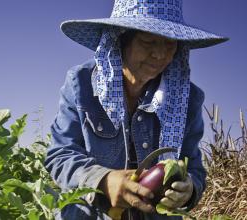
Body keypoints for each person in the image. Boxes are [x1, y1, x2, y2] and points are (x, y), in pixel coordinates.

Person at [44, 0, 228, 219]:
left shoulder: (187, 99)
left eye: (170, 45)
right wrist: (102, 180)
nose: (160, 55)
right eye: (148, 41)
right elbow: (60, 154)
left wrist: (188, 189)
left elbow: (195, 168)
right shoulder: (82, 83)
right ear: (121, 39)